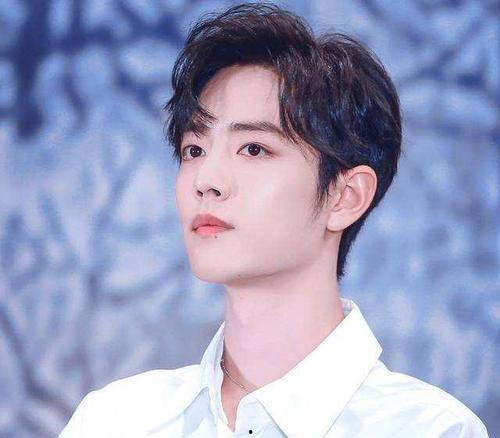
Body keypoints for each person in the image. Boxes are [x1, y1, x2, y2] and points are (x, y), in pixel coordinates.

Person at [59, 2, 489, 437]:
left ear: (345, 196)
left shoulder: (429, 428)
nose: (206, 181)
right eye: (194, 150)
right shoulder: (116, 419)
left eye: (254, 149)